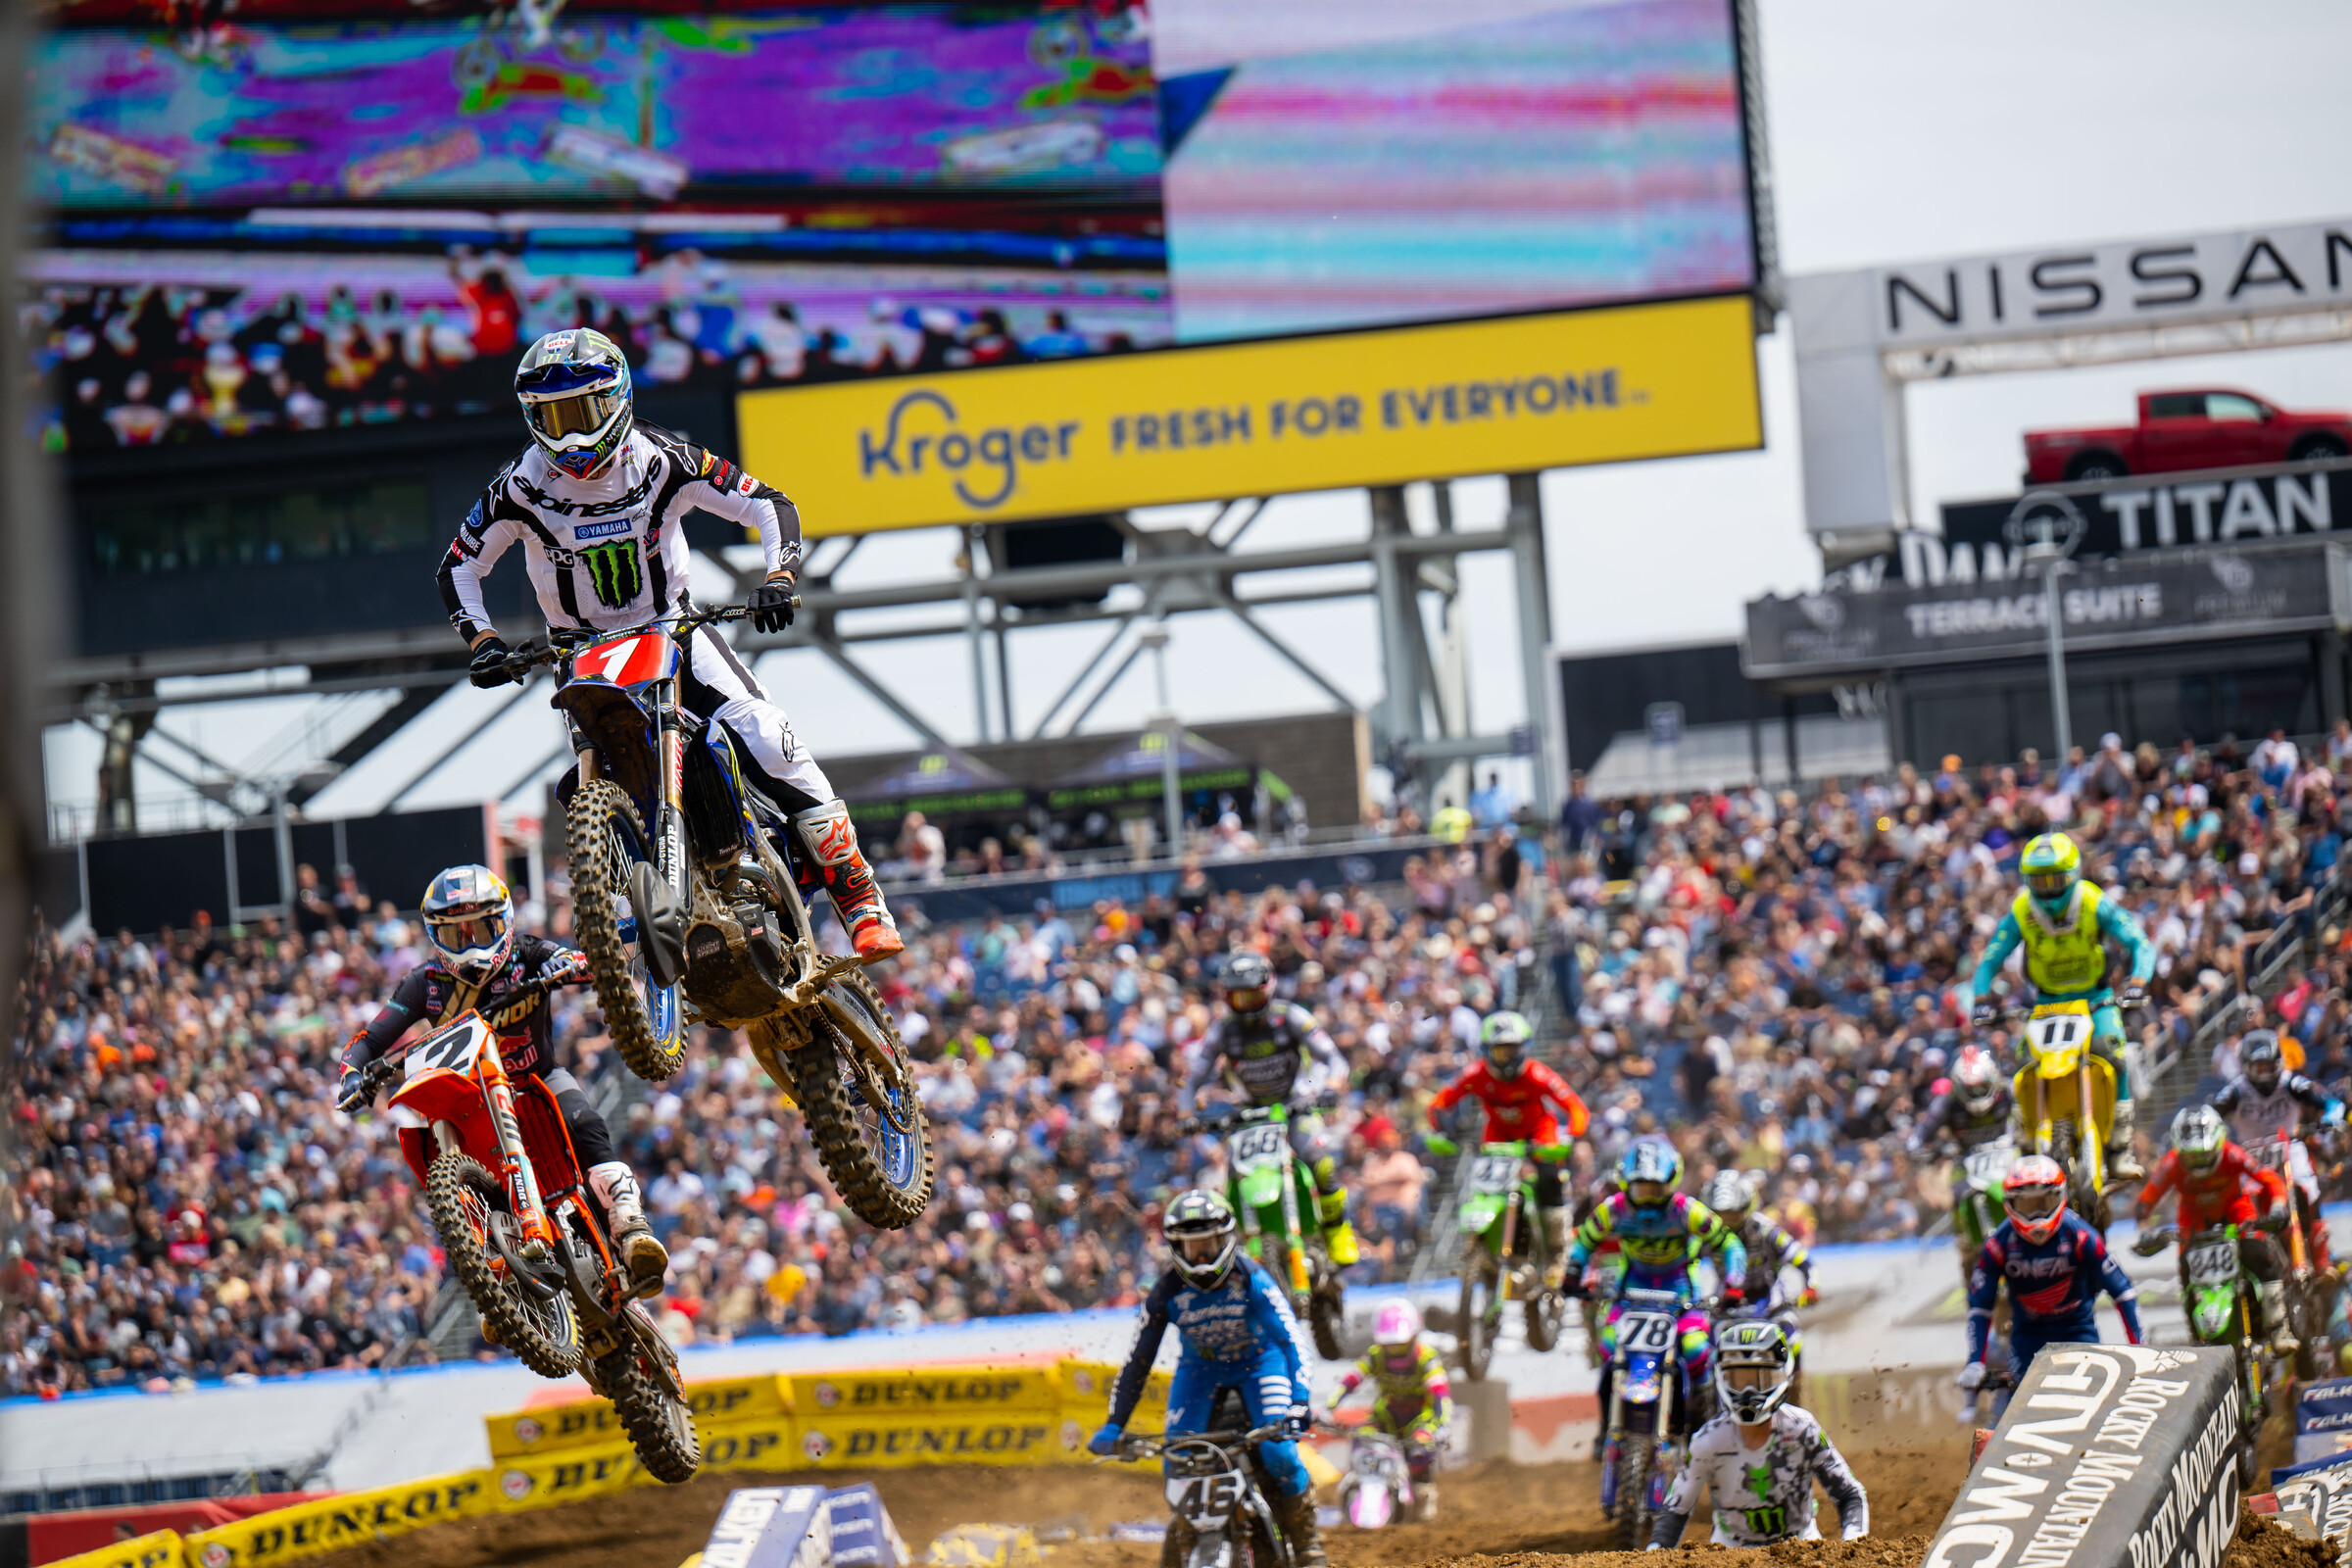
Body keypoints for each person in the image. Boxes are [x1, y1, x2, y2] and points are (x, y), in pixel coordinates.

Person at [437, 327, 901, 961]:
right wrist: (483, 640)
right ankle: (636, 913)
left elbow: (767, 503)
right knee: (590, 781)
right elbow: (458, 567)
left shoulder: (661, 460)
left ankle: (859, 899)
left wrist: (779, 576)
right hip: (581, 649)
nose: (570, 435)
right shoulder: (519, 486)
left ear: (618, 400)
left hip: (674, 629)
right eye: (552, 417)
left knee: (765, 733)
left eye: (583, 412)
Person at [336, 864, 666, 1286]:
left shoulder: (527, 954)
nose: (472, 945)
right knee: (439, 1158)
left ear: (505, 922)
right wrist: (352, 1075)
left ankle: (630, 1226)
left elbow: (588, 962)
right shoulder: (424, 983)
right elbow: (369, 1038)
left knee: (584, 1120)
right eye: (458, 934)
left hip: (537, 1078)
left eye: (482, 928)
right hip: (472, 1103)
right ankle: (496, 1280)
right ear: (436, 936)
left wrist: (565, 965)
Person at [1087, 1191, 1327, 1568]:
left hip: (1260, 1362)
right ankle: (1185, 1540)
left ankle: (1308, 1544)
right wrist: (1115, 1424)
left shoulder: (1252, 1278)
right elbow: (1138, 1360)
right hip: (1200, 1371)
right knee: (1177, 1460)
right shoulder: (1165, 1291)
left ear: (1226, 1239)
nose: (1200, 1256)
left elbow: (1291, 1339)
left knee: (1279, 1451)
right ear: (1175, 1247)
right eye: (1190, 1246)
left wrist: (1299, 1400)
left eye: (1208, 1244)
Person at [1969, 831, 2156, 1181]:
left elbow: (2138, 942)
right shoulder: (2022, 910)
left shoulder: (2092, 901)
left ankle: (2120, 1147)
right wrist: (1981, 999)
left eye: (2056, 879)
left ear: (2073, 875)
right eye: (2039, 880)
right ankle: (2025, 1143)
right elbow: (1990, 959)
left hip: (2095, 1001)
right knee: (2022, 1066)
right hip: (2045, 1007)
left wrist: (2139, 980)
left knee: (2114, 1055)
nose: (2048, 889)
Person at [1180, 953, 1358, 1265]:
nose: (1246, 1003)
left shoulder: (1291, 1017)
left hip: (1294, 1105)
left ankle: (1336, 1229)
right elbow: (1194, 1076)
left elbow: (1334, 1058)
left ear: (1267, 988)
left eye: (1252, 994)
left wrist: (1330, 1087)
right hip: (1249, 1116)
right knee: (1230, 1179)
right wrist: (1185, 1114)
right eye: (1238, 996)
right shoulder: (1223, 1031)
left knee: (1321, 1162)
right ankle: (1240, 1252)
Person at [1565, 1139, 1747, 1420]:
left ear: (1671, 1182)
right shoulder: (1612, 1209)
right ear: (1626, 1183)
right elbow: (1584, 1242)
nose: (1648, 1198)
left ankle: (1702, 1424)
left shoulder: (1687, 1210)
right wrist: (1572, 1273)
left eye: (1655, 1189)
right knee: (1609, 1347)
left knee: (1697, 1350)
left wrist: (1734, 1283)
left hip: (1681, 1290)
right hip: (1632, 1290)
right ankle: (1606, 1427)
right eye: (1641, 1189)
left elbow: (1730, 1244)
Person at [1648, 1320, 1867, 1550]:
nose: (1749, 1391)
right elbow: (1675, 1509)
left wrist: (1852, 1547)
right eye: (1739, 1380)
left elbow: (1849, 1493)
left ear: (1782, 1375)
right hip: (1729, 1553)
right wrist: (1654, 1556)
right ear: (1723, 1378)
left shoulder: (1802, 1429)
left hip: (1801, 1548)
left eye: (1760, 1379)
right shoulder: (1708, 1441)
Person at [1958, 1155, 2142, 1417]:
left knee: (2098, 1406)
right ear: (2010, 1204)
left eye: (2044, 1202)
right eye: (2027, 1204)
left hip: (2078, 1331)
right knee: (2016, 1408)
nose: (2036, 1215)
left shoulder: (2080, 1234)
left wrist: (2140, 1347)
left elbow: (2123, 1291)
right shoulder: (1998, 1245)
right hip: (2027, 1338)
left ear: (2061, 1196)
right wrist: (1975, 1361)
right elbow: (1979, 1306)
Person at [1424, 1012, 1591, 1285]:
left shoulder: (1538, 1074)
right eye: (1499, 1051)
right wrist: (1439, 1128)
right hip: (1498, 1138)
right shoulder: (1475, 1073)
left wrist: (1569, 1136)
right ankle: (1482, 1247)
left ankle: (1559, 1253)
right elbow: (1439, 1102)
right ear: (1487, 1051)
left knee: (1549, 1179)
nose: (1506, 1058)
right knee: (1483, 1187)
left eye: (1511, 1050)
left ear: (1524, 1048)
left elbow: (1576, 1108)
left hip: (1539, 1134)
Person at [2132, 1105, 2296, 1353]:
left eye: (2204, 1154)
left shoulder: (2233, 1154)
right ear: (2179, 1149)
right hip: (2193, 1222)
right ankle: (2199, 1342)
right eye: (2191, 1156)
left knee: (2260, 1253)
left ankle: (2278, 1327)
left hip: (2236, 1214)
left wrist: (2276, 1207)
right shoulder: (2172, 1163)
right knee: (2187, 1274)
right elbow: (2144, 1203)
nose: (2198, 1162)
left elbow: (2270, 1179)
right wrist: (2145, 1231)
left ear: (2218, 1143)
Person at [2211, 1028, 2344, 1276]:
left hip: (2288, 1147)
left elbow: (2330, 1102)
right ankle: (2249, 1262)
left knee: (2307, 1190)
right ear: (2246, 1065)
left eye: (2268, 1065)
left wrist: (2331, 1118)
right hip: (2250, 1155)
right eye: (2258, 1067)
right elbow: (2211, 1116)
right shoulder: (2235, 1090)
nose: (2264, 1073)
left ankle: (2322, 1262)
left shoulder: (2291, 1081)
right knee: (2241, 1205)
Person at [1907, 1045, 2018, 1287]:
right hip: (1967, 1160)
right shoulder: (1946, 1103)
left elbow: (2033, 1114)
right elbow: (1918, 1137)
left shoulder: (2009, 1091)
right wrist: (1921, 1151)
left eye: (1981, 1086)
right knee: (1957, 1196)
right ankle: (1967, 1249)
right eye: (1970, 1089)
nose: (1978, 1093)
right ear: (1958, 1087)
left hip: (2008, 1154)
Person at [1331, 1300, 1451, 1513]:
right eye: (1389, 1343)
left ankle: (1423, 1498)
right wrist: (1329, 1407)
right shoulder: (1375, 1355)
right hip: (1387, 1415)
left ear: (1414, 1335)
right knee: (1362, 1438)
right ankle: (1357, 1489)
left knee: (1420, 1448)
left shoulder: (1426, 1357)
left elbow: (1441, 1394)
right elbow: (1350, 1380)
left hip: (1420, 1416)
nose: (1394, 1349)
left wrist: (1443, 1424)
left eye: (1400, 1343)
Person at [1698, 1171, 1816, 1350]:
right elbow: (1687, 1262)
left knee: (1793, 1339)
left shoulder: (1765, 1229)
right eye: (1721, 1215)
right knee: (1705, 1344)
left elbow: (1802, 1259)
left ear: (1747, 1207)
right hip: (1726, 1301)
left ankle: (1796, 1377)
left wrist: (1811, 1287)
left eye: (1733, 1215)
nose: (1727, 1223)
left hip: (1769, 1299)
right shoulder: (1706, 1234)